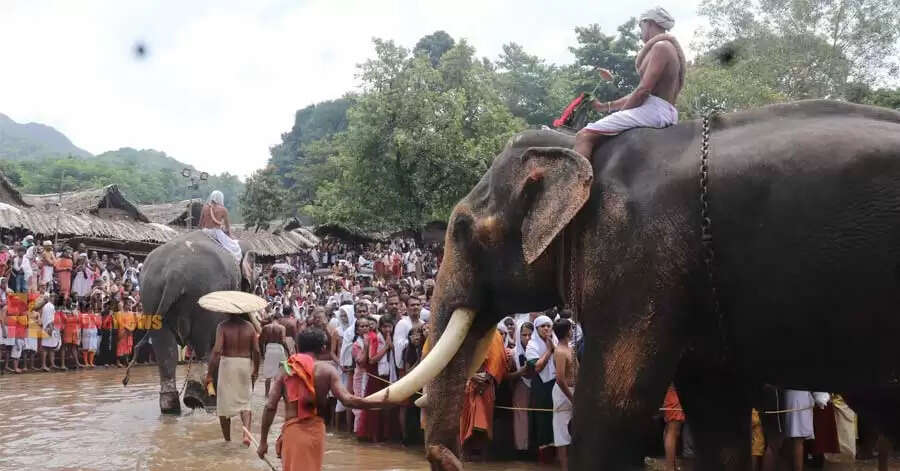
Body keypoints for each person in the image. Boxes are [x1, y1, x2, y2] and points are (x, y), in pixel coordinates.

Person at [257, 328, 385, 471]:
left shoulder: (287, 369)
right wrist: (381, 403)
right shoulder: (327, 370)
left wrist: (263, 442)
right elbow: (348, 400)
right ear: (323, 347)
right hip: (315, 434)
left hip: (292, 433)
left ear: (298, 346)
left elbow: (269, 406)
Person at [573, 6, 685, 166]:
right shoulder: (665, 47)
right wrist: (604, 107)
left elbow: (643, 91)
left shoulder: (661, 47)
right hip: (660, 110)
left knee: (584, 135)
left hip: (655, 111)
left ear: (649, 23)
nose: (640, 32)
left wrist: (623, 112)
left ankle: (574, 190)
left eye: (641, 26)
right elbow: (642, 91)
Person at [205, 305, 261, 446]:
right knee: (245, 403)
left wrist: (210, 374)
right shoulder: (250, 327)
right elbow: (256, 351)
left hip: (228, 365)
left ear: (226, 311)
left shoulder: (222, 327)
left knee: (223, 406)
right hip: (245, 365)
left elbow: (217, 351)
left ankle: (227, 441)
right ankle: (246, 435)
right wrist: (256, 370)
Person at [459, 326, 508, 460]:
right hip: (467, 383)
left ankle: (483, 459)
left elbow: (499, 359)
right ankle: (465, 456)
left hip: (486, 385)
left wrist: (488, 376)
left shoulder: (495, 335)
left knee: (484, 422)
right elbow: (458, 358)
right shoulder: (464, 331)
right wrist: (471, 375)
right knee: (465, 420)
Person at [526, 314, 557, 462]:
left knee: (555, 417)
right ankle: (543, 457)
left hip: (555, 384)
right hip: (540, 386)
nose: (546, 328)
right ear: (537, 329)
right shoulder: (532, 345)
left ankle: (557, 454)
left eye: (548, 326)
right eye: (542, 326)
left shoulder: (555, 340)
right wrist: (549, 351)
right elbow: (537, 367)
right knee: (542, 419)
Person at [551, 319, 578, 470]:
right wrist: (572, 398)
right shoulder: (560, 351)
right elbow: (560, 379)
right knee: (562, 434)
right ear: (567, 331)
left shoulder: (570, 349)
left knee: (574, 431)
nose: (572, 331)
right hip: (563, 393)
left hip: (574, 391)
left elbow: (578, 371)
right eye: (570, 329)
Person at [509, 320, 534, 455]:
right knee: (521, 416)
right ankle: (521, 448)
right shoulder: (513, 354)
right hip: (520, 387)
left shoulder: (540, 351)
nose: (527, 338)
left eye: (530, 335)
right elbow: (506, 375)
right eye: (524, 335)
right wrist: (520, 372)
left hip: (537, 386)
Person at [198, 190, 242, 262]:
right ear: (221, 198)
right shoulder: (223, 209)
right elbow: (227, 228)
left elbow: (200, 225)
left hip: (204, 232)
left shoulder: (205, 207)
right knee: (235, 248)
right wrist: (230, 236)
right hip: (216, 233)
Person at [259, 319, 287, 397]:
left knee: (268, 374)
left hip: (269, 349)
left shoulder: (266, 327)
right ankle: (281, 394)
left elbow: (261, 341)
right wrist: (288, 350)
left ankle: (266, 394)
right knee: (283, 372)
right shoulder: (282, 327)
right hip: (279, 349)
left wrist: (263, 353)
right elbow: (283, 341)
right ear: (279, 320)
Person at [662, 383, 685, 471]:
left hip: (672, 389)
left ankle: (671, 467)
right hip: (675, 390)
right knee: (673, 429)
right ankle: (670, 468)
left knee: (670, 429)